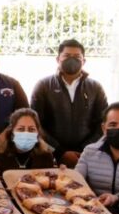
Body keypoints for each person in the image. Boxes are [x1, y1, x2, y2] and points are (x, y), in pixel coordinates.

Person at [30, 38, 108, 167]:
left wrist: (84, 151)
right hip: (51, 156)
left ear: (84, 61)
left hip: (86, 157)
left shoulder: (95, 88)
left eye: (77, 56)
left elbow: (102, 124)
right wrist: (60, 152)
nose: (72, 59)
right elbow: (36, 123)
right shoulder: (43, 86)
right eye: (66, 56)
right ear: (58, 59)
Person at [0, 108, 56, 174]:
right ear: (12, 133)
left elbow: (54, 182)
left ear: (38, 133)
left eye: (31, 129)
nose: (26, 133)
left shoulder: (48, 157)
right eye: (21, 129)